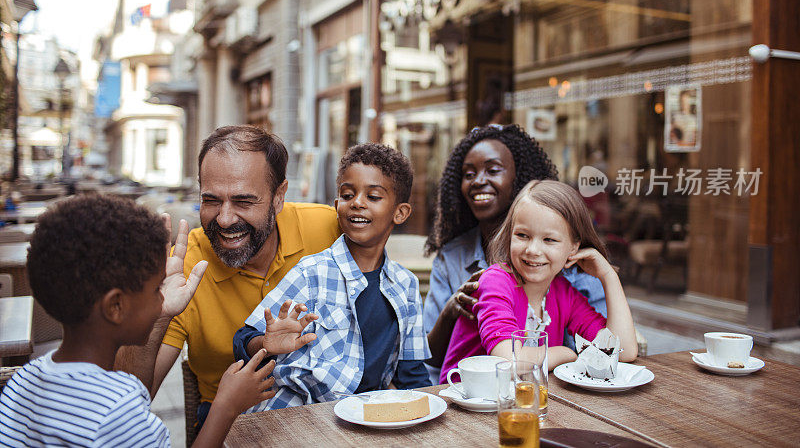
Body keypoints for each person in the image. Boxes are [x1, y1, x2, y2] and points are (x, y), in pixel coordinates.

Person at [0, 195, 274, 447]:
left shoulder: (23, 379)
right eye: (157, 289)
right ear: (116, 306)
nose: (162, 301)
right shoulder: (118, 412)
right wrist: (225, 407)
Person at [115, 126, 340, 431]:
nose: (224, 219)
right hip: (230, 423)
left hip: (325, 411)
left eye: (244, 201)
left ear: (278, 196)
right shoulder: (183, 268)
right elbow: (129, 402)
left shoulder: (328, 227)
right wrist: (153, 312)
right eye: (210, 200)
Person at [233, 143, 431, 409]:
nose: (357, 203)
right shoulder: (312, 272)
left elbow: (412, 373)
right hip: (296, 411)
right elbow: (243, 338)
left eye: (373, 197)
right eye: (348, 195)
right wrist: (267, 344)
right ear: (337, 205)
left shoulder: (406, 285)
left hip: (366, 415)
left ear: (400, 212)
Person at [423, 124, 607, 382]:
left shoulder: (566, 267)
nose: (478, 181)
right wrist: (450, 313)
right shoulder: (452, 257)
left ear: (519, 178)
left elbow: (606, 346)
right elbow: (427, 356)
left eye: (493, 170)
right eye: (468, 173)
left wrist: (609, 276)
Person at [441, 180, 637, 380]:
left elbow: (623, 352)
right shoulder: (495, 282)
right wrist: (564, 353)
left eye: (549, 240)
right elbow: (508, 362)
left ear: (573, 247)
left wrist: (608, 276)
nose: (533, 250)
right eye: (522, 235)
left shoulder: (564, 293)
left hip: (523, 401)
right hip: (465, 400)